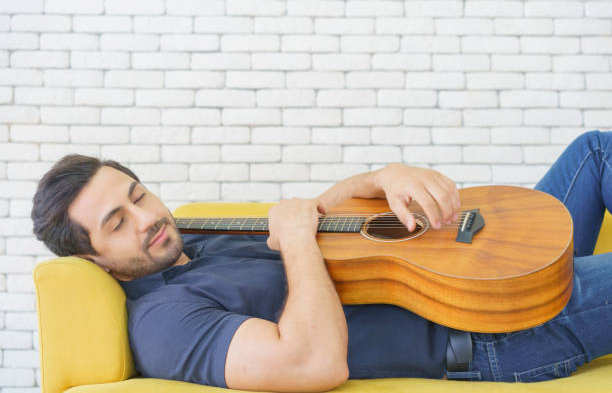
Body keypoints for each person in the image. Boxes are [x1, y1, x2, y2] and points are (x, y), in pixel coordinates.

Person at [31, 130, 612, 392]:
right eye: (117, 224)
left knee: (596, 151)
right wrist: (298, 240)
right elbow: (310, 364)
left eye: (138, 196)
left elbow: (320, 216)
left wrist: (383, 175)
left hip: (470, 278)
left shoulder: (200, 239)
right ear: (94, 258)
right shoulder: (163, 320)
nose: (146, 219)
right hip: (489, 331)